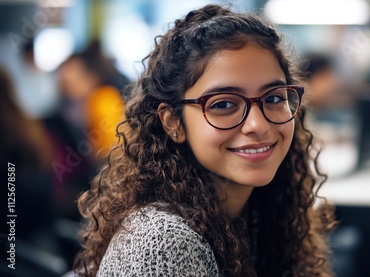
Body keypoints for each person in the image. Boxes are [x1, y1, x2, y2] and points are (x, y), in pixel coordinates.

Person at [73, 4, 335, 277]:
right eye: (223, 104)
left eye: (273, 98)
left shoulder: (260, 213)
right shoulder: (165, 243)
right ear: (173, 122)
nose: (258, 124)